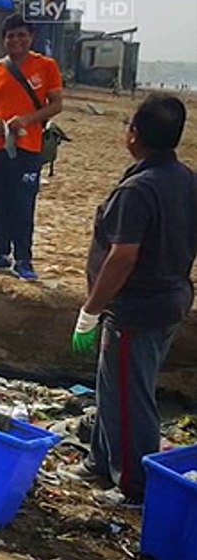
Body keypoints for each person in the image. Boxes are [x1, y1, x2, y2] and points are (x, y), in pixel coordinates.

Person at [68, 95, 197, 505]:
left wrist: (90, 310)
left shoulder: (138, 190)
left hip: (138, 308)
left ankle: (133, 485)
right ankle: (101, 461)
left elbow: (123, 257)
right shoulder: (184, 180)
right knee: (114, 386)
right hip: (170, 298)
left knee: (130, 395)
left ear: (134, 135)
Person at [0, 13, 64, 281]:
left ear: (31, 37)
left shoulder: (46, 66)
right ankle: (1, 254)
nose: (16, 40)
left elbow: (56, 104)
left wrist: (27, 120)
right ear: (4, 40)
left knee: (23, 204)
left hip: (29, 147)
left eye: (21, 35)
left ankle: (24, 259)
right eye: (11, 35)